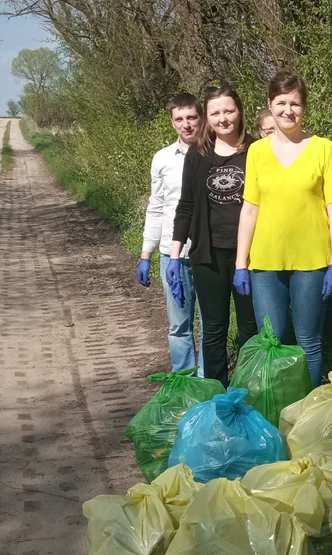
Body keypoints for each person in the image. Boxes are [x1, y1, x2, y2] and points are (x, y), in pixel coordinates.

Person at [234, 70, 332, 387]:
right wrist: (241, 263)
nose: (288, 110)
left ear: (304, 108)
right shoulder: (256, 151)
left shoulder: (324, 148)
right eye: (281, 103)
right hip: (266, 261)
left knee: (309, 342)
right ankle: (274, 413)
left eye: (294, 103)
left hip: (312, 261)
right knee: (272, 341)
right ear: (270, 105)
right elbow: (250, 209)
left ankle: (305, 416)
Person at [167, 85, 259, 387]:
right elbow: (187, 205)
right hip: (209, 255)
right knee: (214, 329)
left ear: (240, 111)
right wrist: (174, 252)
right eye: (215, 113)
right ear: (207, 117)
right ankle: (218, 395)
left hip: (251, 254)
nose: (223, 119)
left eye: (228, 110)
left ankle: (247, 392)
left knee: (250, 328)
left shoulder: (256, 151)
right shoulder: (198, 154)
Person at [136, 93, 205, 376]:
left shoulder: (214, 153)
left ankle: (206, 380)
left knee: (211, 324)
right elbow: (156, 207)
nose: (186, 125)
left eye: (191, 118)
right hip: (172, 255)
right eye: (180, 119)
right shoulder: (162, 159)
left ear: (201, 118)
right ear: (172, 122)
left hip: (206, 254)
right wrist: (145, 253)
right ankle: (183, 380)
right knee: (179, 325)